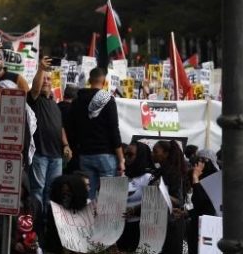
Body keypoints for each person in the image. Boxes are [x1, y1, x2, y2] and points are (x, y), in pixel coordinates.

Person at [27, 56, 71, 235]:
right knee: (38, 191)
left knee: (52, 192)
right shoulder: (34, 99)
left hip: (56, 156)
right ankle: (35, 228)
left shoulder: (54, 104)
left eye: (48, 79)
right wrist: (41, 69)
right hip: (40, 154)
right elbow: (35, 88)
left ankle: (47, 228)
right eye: (43, 79)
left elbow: (60, 127)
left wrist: (66, 145)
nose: (46, 81)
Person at [67, 67, 124, 199]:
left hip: (85, 154)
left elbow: (71, 128)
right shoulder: (107, 99)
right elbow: (114, 130)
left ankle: (88, 213)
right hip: (106, 155)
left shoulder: (77, 101)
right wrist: (121, 159)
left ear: (89, 80)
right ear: (104, 82)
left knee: (88, 194)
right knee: (107, 198)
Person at [117, 141, 154, 252]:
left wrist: (135, 210)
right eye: (125, 154)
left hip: (140, 228)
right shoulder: (123, 176)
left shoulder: (149, 178)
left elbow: (153, 203)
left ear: (140, 156)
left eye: (130, 155)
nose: (126, 158)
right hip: (120, 227)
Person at [151, 140, 187, 254]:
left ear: (166, 153)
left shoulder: (174, 174)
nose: (152, 154)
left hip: (172, 225)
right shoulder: (158, 172)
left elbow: (179, 201)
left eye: (155, 151)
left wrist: (162, 192)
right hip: (157, 223)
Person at [187, 149, 219, 254]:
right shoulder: (197, 177)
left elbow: (204, 202)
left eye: (203, 161)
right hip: (196, 224)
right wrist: (186, 213)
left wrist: (195, 178)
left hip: (209, 226)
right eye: (198, 160)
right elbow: (197, 205)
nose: (199, 164)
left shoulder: (215, 179)